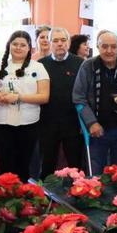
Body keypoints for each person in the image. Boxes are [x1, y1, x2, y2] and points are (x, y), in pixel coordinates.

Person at [0, 30, 50, 180]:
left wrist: (18, 97)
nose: (18, 48)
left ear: (29, 48)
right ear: (9, 46)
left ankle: (23, 200)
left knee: (23, 166)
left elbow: (44, 97)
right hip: (2, 123)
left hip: (28, 123)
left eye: (23, 45)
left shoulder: (38, 68)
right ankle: (6, 198)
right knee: (5, 166)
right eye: (15, 44)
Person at [72, 31, 117, 174]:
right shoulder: (87, 66)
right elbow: (78, 97)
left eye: (113, 47)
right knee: (95, 174)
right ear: (97, 47)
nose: (109, 51)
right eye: (105, 46)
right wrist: (91, 122)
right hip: (96, 129)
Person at [37, 27, 85, 174]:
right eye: (55, 40)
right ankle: (45, 195)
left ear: (69, 43)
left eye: (63, 40)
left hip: (73, 123)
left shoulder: (81, 63)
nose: (59, 44)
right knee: (46, 164)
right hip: (47, 122)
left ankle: (77, 194)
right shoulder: (41, 64)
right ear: (50, 43)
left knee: (75, 165)